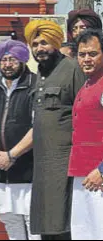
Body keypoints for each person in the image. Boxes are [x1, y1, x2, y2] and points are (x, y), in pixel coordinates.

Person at [23, 20, 86, 240]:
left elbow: (86, 115)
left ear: (56, 43)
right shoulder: (37, 75)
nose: (40, 49)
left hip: (65, 164)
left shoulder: (72, 69)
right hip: (41, 165)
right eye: (35, 44)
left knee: (65, 224)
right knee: (46, 226)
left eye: (45, 43)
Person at [0, 39, 41, 240]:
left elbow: (38, 127)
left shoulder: (36, 85)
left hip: (29, 170)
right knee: (10, 221)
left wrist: (12, 155)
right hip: (1, 170)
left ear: (23, 60)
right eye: (3, 60)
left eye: (12, 59)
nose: (7, 64)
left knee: (34, 224)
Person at [68, 29, 103, 240]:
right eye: (82, 54)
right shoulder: (87, 84)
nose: (87, 59)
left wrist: (102, 170)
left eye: (93, 53)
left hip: (98, 176)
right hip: (82, 174)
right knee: (83, 234)